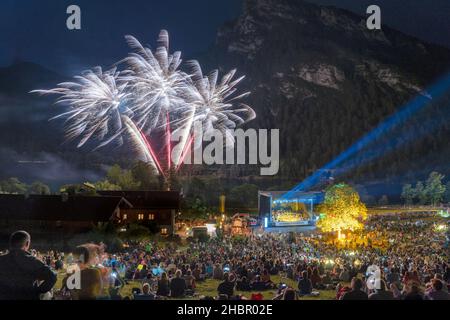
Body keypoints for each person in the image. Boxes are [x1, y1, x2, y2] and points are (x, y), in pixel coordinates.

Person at [0, 231, 57, 300]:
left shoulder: (2, 259)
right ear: (27, 243)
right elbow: (52, 276)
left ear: (11, 243)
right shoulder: (32, 261)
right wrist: (38, 291)